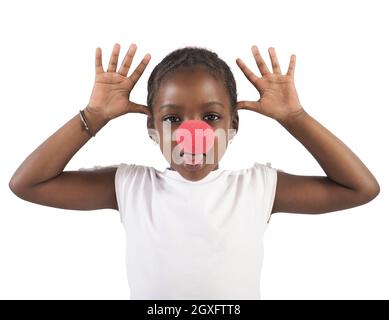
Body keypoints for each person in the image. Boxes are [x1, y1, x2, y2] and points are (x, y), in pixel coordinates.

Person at [8, 43, 380, 299]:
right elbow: (28, 184)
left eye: (211, 117)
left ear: (233, 126)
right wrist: (94, 116)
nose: (193, 132)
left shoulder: (258, 187)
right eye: (172, 118)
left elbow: (360, 188)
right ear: (152, 130)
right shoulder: (129, 186)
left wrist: (295, 118)